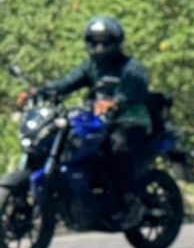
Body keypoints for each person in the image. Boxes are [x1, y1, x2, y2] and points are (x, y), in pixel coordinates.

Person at [39, 16, 152, 221]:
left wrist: (116, 101)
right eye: (95, 41)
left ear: (116, 42)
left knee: (117, 147)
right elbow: (67, 82)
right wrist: (43, 90)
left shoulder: (130, 67)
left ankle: (130, 200)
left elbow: (136, 88)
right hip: (99, 122)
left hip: (129, 120)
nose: (100, 47)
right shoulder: (91, 66)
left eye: (105, 42)